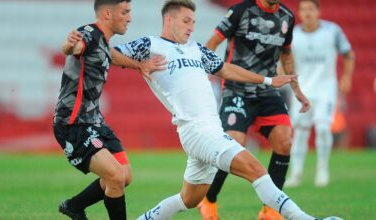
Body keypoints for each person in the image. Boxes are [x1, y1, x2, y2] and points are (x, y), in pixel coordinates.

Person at [115, 1, 341, 220]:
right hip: (197, 130)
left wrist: (269, 80)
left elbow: (227, 69)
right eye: (186, 21)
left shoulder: (196, 49)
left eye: (193, 21)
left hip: (209, 129)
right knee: (256, 169)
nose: (191, 27)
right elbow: (108, 51)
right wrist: (138, 65)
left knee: (189, 199)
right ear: (169, 19)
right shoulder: (150, 45)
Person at [197, 0, 311, 219]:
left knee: (284, 141)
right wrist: (200, 76)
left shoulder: (287, 16)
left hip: (267, 91)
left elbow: (286, 54)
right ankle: (208, 199)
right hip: (236, 88)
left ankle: (271, 209)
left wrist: (297, 89)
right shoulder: (240, 11)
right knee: (232, 144)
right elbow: (211, 43)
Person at [53, 0, 166, 219]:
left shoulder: (102, 41)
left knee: (124, 175)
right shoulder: (87, 34)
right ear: (107, 13)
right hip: (72, 123)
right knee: (115, 177)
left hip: (94, 121)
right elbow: (73, 48)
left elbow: (111, 55)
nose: (129, 18)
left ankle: (74, 206)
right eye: (125, 12)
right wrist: (68, 44)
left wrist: (140, 66)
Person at [285, 0, 355, 188]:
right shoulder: (293, 34)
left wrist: (346, 77)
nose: (307, 13)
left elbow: (349, 54)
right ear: (299, 12)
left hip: (326, 89)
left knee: (323, 128)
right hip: (302, 90)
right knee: (299, 132)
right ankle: (296, 173)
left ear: (318, 11)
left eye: (311, 9)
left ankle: (322, 169)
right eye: (303, 9)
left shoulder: (332, 31)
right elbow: (284, 58)